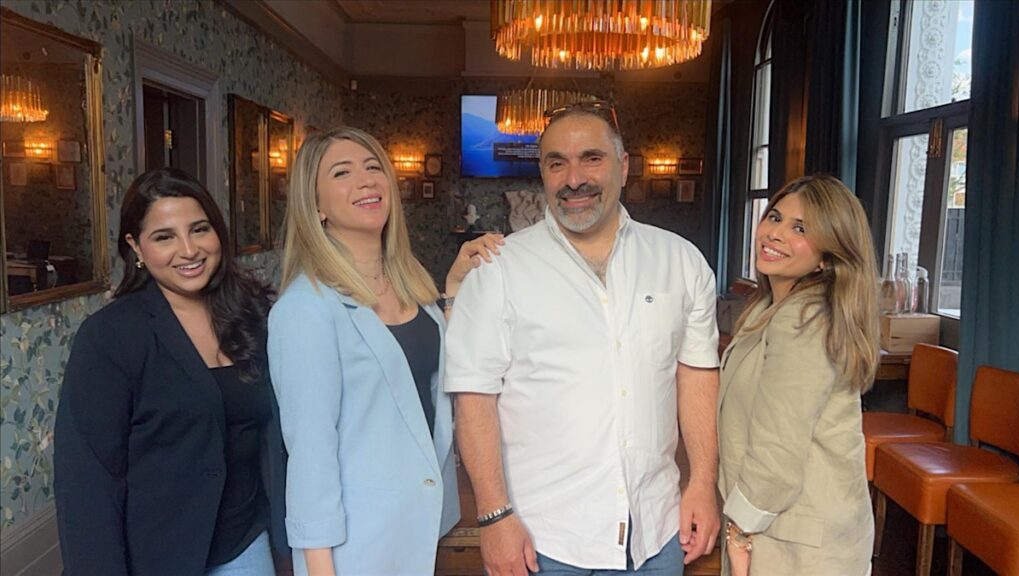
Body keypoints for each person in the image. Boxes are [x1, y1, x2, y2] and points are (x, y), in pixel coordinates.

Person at [445, 102, 722, 575]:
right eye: (557, 163)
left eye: (591, 158)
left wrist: (702, 483)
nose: (574, 179)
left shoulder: (680, 261)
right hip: (544, 540)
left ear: (624, 166)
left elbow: (696, 377)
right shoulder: (499, 270)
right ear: (542, 172)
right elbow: (474, 398)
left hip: (657, 532)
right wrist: (493, 516)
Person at [268, 126, 502, 575]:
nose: (366, 180)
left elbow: (428, 383)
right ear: (315, 206)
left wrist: (453, 289)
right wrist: (319, 569)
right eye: (342, 172)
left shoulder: (411, 284)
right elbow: (311, 454)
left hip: (424, 527)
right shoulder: (305, 309)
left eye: (374, 167)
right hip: (356, 545)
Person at [54, 168, 287, 575]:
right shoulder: (111, 336)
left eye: (199, 229)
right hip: (155, 555)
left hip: (244, 544)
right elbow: (87, 481)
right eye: (165, 237)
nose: (189, 250)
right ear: (136, 247)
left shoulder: (256, 315)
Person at [717, 175, 878, 576]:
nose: (775, 233)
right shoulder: (769, 308)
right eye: (775, 217)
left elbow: (778, 448)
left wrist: (740, 530)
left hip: (799, 541)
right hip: (792, 529)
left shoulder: (804, 317)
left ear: (827, 256)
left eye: (801, 229)